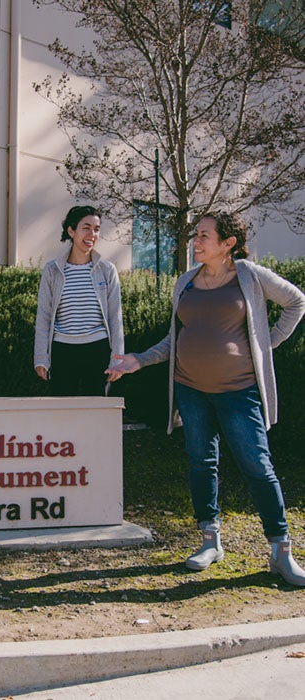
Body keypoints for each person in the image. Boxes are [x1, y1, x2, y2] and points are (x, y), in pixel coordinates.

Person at [109, 212, 305, 585]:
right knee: (201, 463)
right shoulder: (186, 282)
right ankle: (209, 540)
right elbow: (176, 337)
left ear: (228, 243)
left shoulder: (250, 276)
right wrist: (139, 359)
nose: (195, 242)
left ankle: (281, 552)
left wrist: (264, 345)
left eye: (203, 236)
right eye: (195, 236)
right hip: (191, 389)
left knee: (257, 467)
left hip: (239, 391)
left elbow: (297, 302)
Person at [34, 205, 124, 396]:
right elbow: (44, 316)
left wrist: (117, 359)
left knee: (96, 413)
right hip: (62, 351)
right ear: (71, 231)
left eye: (97, 229)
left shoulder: (107, 270)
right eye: (86, 227)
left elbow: (116, 318)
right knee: (63, 414)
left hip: (97, 349)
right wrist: (41, 358)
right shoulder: (52, 271)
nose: (92, 234)